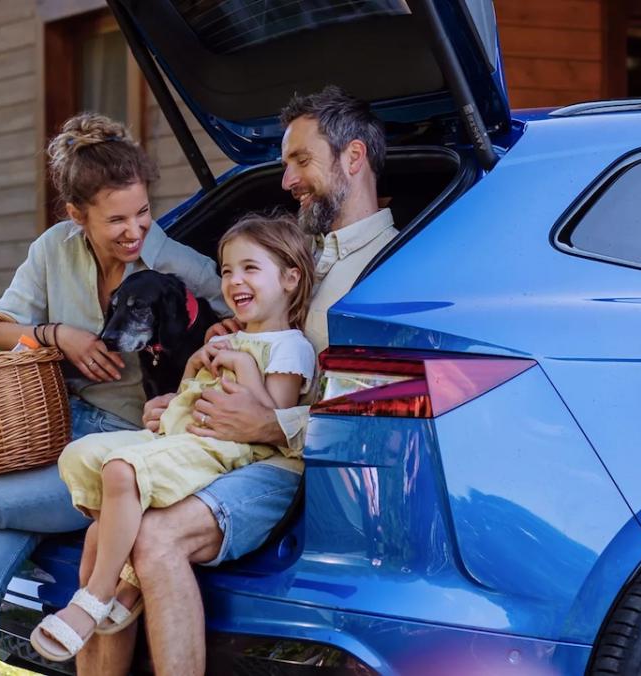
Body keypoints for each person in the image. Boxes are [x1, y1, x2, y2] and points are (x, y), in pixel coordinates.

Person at [0, 112, 226, 676]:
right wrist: (58, 335)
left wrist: (200, 373)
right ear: (77, 217)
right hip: (49, 436)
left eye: (144, 212)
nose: (136, 232)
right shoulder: (55, 249)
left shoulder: (174, 263)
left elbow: (245, 317)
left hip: (119, 454)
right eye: (117, 220)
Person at [78, 85, 397, 675]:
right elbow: (261, 345)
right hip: (225, 452)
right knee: (107, 525)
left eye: (301, 160)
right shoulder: (302, 252)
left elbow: (370, 401)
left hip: (305, 473)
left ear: (353, 158)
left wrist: (273, 424)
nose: (286, 180)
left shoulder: (392, 268)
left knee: (152, 538)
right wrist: (184, 403)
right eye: (285, 163)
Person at [30, 215, 316, 662]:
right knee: (93, 509)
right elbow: (188, 395)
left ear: (290, 278)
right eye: (226, 271)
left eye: (249, 269)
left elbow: (269, 422)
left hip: (242, 456)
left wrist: (237, 364)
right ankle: (113, 593)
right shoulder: (227, 337)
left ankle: (98, 599)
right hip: (193, 440)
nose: (234, 280)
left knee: (136, 509)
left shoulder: (287, 347)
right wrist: (188, 379)